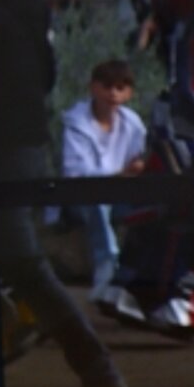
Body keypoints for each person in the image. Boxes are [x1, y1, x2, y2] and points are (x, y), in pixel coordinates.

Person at [0, 0, 131, 387]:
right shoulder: (25, 4)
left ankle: (99, 374)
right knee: (8, 258)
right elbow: (44, 78)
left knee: (20, 261)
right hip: (24, 142)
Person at [61, 60, 147, 300]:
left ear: (129, 93)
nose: (113, 94)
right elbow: (77, 175)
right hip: (80, 200)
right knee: (96, 200)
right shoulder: (76, 123)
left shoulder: (133, 124)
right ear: (93, 88)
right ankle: (106, 270)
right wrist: (120, 175)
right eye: (107, 86)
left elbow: (136, 166)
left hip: (119, 198)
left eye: (120, 88)